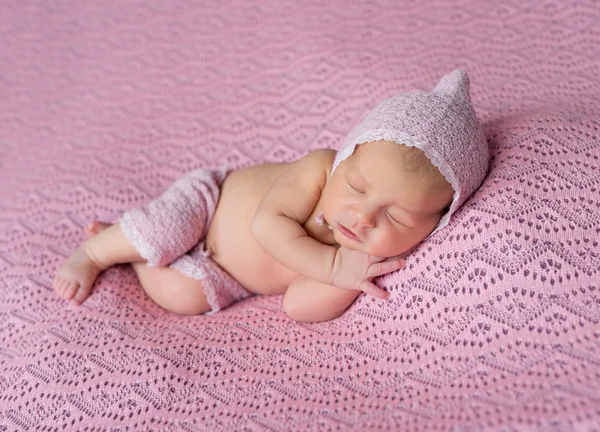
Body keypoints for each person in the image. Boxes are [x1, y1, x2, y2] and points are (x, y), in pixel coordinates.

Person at [52, 69, 489, 323]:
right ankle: (94, 253)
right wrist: (332, 263)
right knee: (165, 228)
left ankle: (131, 253)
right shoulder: (320, 170)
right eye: (355, 187)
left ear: (436, 225)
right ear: (343, 159)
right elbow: (266, 224)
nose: (364, 216)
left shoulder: (359, 260)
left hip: (226, 277)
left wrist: (348, 280)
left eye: (397, 218)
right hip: (208, 207)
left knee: (183, 297)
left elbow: (297, 305)